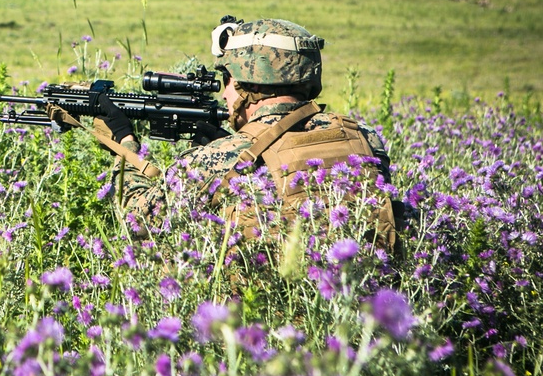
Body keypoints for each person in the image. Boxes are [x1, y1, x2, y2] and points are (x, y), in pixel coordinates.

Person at [95, 17, 398, 250]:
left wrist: (123, 142)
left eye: (227, 78)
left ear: (245, 83)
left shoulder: (218, 157)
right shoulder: (362, 136)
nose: (224, 93)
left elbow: (137, 220)